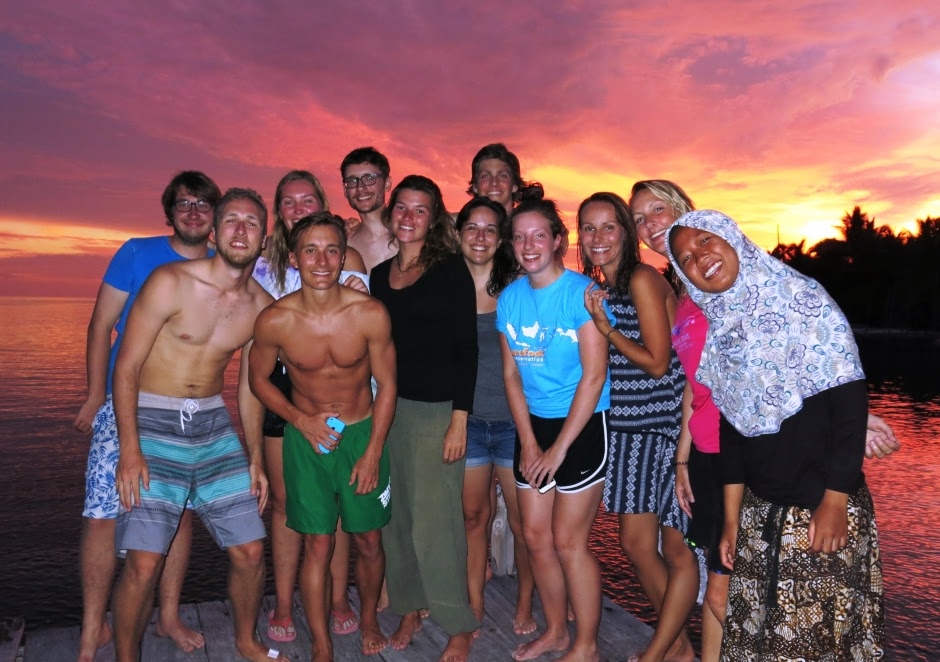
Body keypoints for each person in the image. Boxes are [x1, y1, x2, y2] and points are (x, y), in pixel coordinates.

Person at [629, 178, 900, 662]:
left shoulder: (799, 298)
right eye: (685, 257)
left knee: (818, 635)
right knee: (756, 628)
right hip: (754, 496)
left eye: (705, 241)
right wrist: (718, 501)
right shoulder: (718, 319)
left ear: (730, 236)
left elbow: (841, 390)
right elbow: (729, 415)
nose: (698, 258)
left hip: (814, 496)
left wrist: (836, 494)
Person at [111, 188, 284, 662]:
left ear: (264, 236)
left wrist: (255, 458)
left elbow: (250, 387)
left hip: (210, 421)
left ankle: (246, 641)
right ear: (215, 230)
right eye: (231, 220)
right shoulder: (170, 282)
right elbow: (126, 366)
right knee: (144, 561)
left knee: (250, 550)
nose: (241, 230)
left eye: (252, 223)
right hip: (152, 416)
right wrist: (130, 449)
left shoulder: (262, 307)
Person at [72, 170, 220, 662]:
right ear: (169, 212)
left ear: (215, 215)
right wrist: (95, 394)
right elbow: (101, 325)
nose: (193, 211)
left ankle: (168, 615)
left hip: (186, 411)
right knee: (102, 513)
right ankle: (93, 627)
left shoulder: (225, 264)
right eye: (184, 203)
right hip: (126, 400)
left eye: (203, 203)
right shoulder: (136, 252)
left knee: (179, 516)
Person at [249, 212, 396, 660]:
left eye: (332, 250)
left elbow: (388, 384)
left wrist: (373, 451)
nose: (322, 260)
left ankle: (368, 620)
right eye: (310, 250)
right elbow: (258, 381)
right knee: (317, 542)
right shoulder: (275, 320)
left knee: (369, 539)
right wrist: (300, 419)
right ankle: (321, 643)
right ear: (294, 257)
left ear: (344, 256)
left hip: (361, 433)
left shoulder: (369, 313)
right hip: (307, 440)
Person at [579, 192, 697, 662]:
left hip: (659, 427)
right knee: (637, 544)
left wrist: (606, 329)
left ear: (626, 233)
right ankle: (678, 648)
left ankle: (670, 649)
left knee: (663, 546)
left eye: (609, 226)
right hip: (628, 427)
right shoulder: (608, 288)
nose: (598, 237)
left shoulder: (642, 280)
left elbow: (657, 363)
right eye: (589, 228)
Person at [371, 175, 480, 662]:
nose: (409, 217)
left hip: (437, 412)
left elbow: (467, 349)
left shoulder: (450, 270)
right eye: (402, 207)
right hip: (389, 409)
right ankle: (410, 607)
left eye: (420, 209)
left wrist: (460, 418)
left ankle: (458, 623)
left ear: (433, 218)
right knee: (397, 519)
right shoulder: (379, 275)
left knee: (437, 523)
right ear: (390, 212)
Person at [498, 195, 611, 662]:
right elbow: (511, 375)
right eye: (519, 237)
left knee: (568, 541)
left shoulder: (582, 294)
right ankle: (557, 631)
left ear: (558, 240)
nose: (529, 245)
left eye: (539, 235)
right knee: (535, 536)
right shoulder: (509, 298)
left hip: (581, 427)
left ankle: (586, 644)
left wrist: (558, 449)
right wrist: (528, 441)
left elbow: (595, 376)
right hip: (534, 426)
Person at [455, 197, 535, 635]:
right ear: (459, 234)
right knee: (473, 518)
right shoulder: (445, 289)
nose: (480, 236)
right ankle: (474, 601)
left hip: (512, 423)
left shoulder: (518, 289)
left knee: (524, 524)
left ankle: (524, 600)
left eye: (490, 229)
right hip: (466, 422)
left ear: (501, 238)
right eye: (472, 227)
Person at [341, 147, 397, 272]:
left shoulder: (410, 234)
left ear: (387, 183)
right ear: (345, 191)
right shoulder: (344, 244)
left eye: (369, 178)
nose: (360, 187)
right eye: (352, 181)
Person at [465, 143, 542, 217]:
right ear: (475, 187)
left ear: (514, 186)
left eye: (502, 176)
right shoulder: (462, 223)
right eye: (485, 176)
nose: (494, 182)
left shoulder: (530, 223)